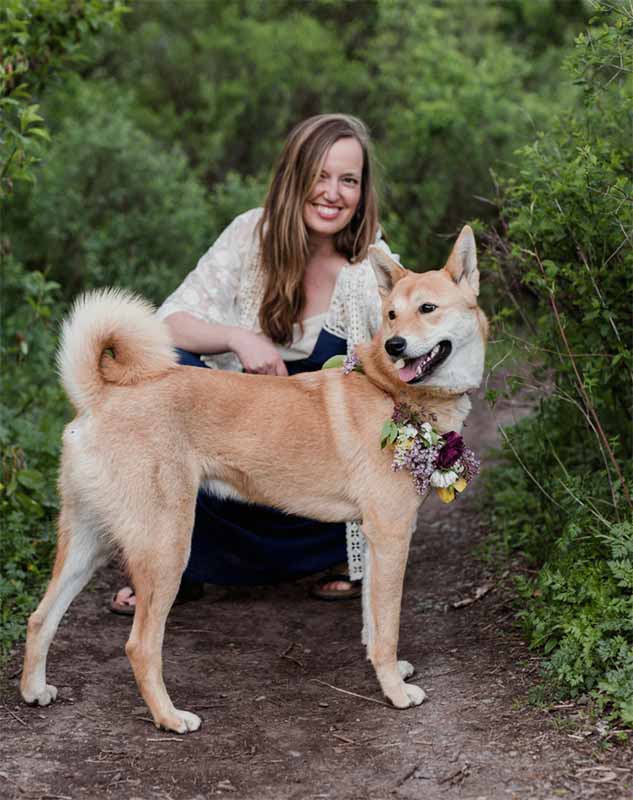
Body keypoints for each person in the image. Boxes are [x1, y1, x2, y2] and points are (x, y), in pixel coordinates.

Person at [110, 113, 398, 615]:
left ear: (362, 190)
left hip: (317, 490)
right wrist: (238, 337)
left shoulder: (369, 262)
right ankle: (172, 559)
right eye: (320, 175)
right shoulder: (251, 234)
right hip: (233, 472)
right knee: (166, 370)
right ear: (294, 175)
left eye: (348, 180)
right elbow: (167, 323)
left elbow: (406, 350)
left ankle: (338, 557)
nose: (333, 193)